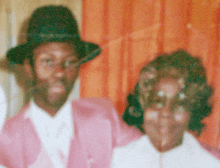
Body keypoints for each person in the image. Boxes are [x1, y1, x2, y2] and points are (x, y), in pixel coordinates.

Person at [0, 5, 143, 168]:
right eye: (48, 62)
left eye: (70, 62)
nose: (60, 72)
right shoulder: (6, 138)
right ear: (28, 68)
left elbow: (153, 159)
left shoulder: (104, 118)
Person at [111, 50, 220, 168]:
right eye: (157, 102)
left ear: (193, 112)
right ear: (143, 105)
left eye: (179, 104)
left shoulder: (210, 163)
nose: (166, 113)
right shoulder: (116, 160)